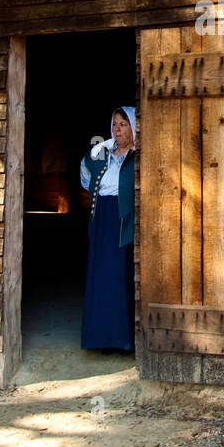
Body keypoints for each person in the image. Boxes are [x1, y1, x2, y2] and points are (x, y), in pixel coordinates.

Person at [77, 106, 137, 353]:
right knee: (100, 277)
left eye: (123, 124)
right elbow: (84, 174)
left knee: (119, 278)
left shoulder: (136, 155)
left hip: (123, 220)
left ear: (133, 127)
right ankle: (102, 338)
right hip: (102, 217)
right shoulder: (103, 151)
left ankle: (123, 340)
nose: (117, 128)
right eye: (114, 124)